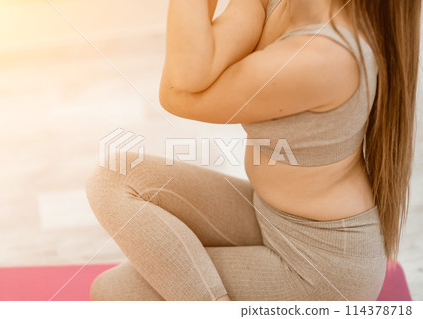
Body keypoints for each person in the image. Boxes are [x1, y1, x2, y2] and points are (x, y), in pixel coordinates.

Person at [86, 0, 421, 300]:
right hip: (269, 216)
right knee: (113, 177)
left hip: (321, 265)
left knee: (113, 292)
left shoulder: (326, 57)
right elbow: (190, 74)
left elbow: (177, 95)